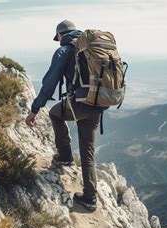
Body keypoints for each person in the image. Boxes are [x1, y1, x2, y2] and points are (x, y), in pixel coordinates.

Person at [25, 20, 105, 212]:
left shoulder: (65, 51)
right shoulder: (91, 47)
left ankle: (65, 155)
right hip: (97, 104)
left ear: (60, 35)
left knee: (55, 113)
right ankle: (90, 198)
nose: (58, 40)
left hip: (78, 104)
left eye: (57, 37)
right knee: (88, 152)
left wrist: (35, 109)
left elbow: (49, 84)